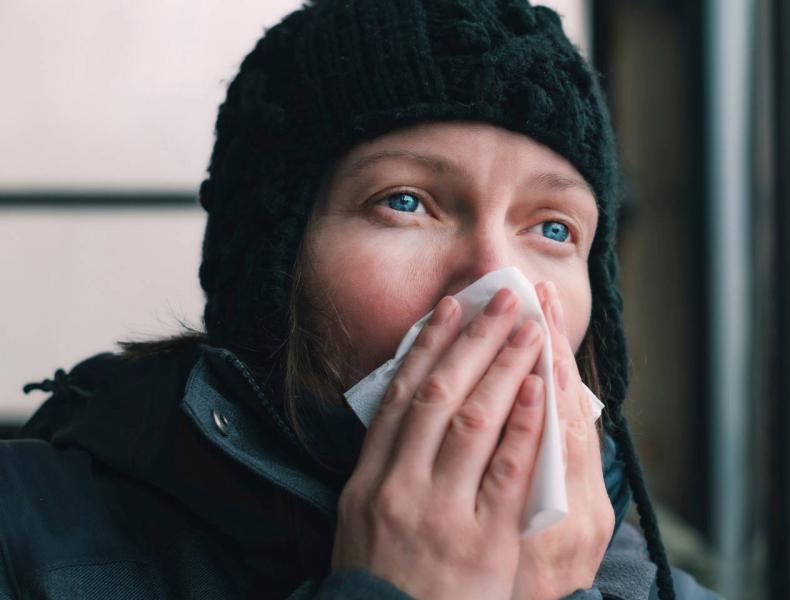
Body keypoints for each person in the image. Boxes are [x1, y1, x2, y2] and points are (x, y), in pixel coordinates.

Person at [0, 1, 718, 598]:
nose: (496, 282)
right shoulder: (27, 537)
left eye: (553, 228)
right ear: (271, 268)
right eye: (405, 203)